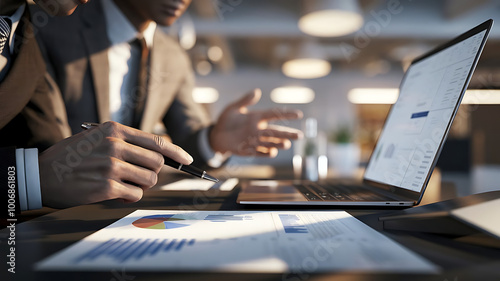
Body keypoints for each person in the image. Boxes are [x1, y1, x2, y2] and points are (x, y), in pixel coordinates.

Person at [33, 0, 303, 170]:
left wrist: (215, 141)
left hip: (128, 211)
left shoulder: (173, 56)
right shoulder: (51, 23)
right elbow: (43, 142)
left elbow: (187, 137)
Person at [0, 0, 197, 211]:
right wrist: (29, 177)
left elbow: (53, 154)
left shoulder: (23, 28)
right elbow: (47, 169)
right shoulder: (46, 28)